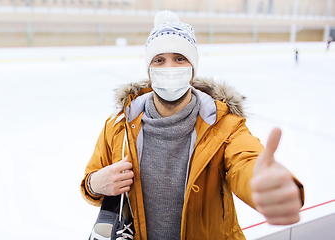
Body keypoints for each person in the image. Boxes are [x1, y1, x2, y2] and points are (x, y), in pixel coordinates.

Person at [81, 10, 304, 240]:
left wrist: (263, 182)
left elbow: (246, 161)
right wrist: (95, 183)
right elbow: (90, 184)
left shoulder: (223, 124)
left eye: (180, 58)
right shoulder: (119, 126)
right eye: (159, 60)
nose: (169, 68)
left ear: (193, 68)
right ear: (149, 69)